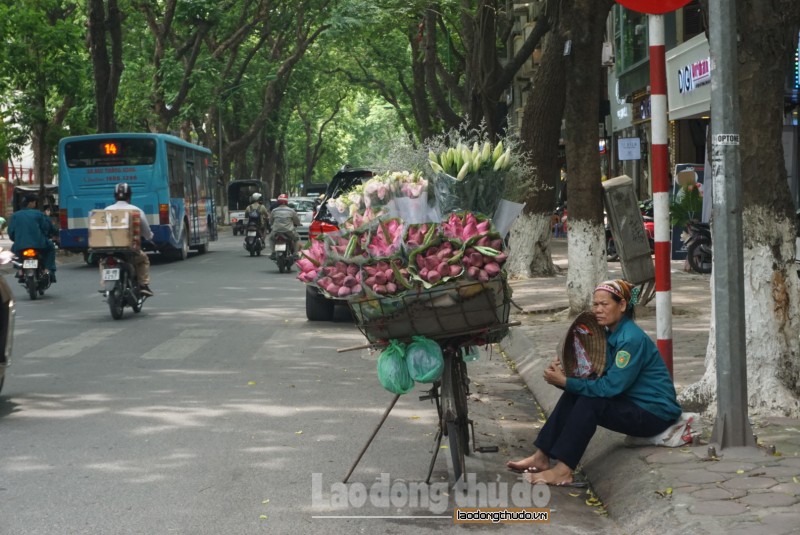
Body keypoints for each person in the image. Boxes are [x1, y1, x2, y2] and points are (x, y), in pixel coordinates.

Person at [507, 279, 681, 486]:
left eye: (604, 304)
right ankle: (541, 456)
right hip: (632, 403)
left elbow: (609, 388)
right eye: (595, 304)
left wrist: (567, 382)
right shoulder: (607, 333)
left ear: (622, 305)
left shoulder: (631, 340)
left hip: (654, 413)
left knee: (591, 403)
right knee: (576, 394)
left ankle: (563, 470)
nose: (598, 310)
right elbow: (594, 374)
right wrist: (563, 378)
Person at [106, 183, 155, 297]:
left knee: (104, 263)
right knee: (143, 260)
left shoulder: (106, 211)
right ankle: (143, 285)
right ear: (130, 196)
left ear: (115, 196)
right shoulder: (136, 211)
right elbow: (146, 232)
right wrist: (150, 237)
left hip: (108, 249)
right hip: (129, 250)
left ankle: (105, 283)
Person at [8, 194, 58, 282]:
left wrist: (17, 240)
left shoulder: (15, 215)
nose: (35, 204)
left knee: (14, 251)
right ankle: (47, 270)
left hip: (20, 245)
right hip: (39, 244)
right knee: (51, 248)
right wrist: (54, 234)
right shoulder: (39, 214)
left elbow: (11, 232)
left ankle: (20, 271)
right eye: (34, 202)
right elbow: (47, 228)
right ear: (30, 203)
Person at [269, 194, 300, 259]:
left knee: (271, 239)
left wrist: (272, 225)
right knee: (297, 238)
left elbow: (271, 221)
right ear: (286, 202)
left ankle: (273, 253)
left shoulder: (274, 210)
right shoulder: (291, 210)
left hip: (276, 231)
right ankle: (295, 254)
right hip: (289, 231)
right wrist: (298, 224)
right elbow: (296, 221)